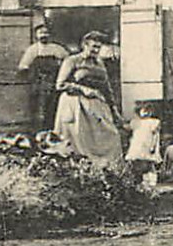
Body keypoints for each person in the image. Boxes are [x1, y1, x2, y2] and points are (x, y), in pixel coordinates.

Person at [52, 32, 124, 164]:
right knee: (79, 139)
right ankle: (81, 169)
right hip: (75, 104)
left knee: (111, 135)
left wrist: (114, 110)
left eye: (98, 47)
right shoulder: (72, 61)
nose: (96, 50)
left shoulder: (99, 64)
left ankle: (106, 168)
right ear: (84, 45)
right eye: (93, 47)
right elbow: (60, 85)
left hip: (96, 105)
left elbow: (107, 88)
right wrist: (83, 89)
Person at [16, 22, 69, 133]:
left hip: (54, 83)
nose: (43, 35)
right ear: (36, 35)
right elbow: (22, 66)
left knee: (54, 108)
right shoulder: (32, 50)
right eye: (41, 33)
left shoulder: (58, 49)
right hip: (39, 84)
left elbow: (68, 62)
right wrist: (33, 73)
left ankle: (53, 133)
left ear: (49, 34)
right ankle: (38, 134)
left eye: (46, 32)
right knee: (39, 110)